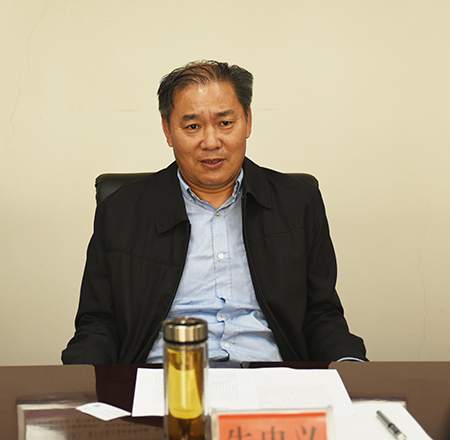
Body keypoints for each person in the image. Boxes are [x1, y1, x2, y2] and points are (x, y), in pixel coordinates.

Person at [62, 60, 367, 365]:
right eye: (192, 126)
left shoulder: (298, 203)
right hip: (166, 375)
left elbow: (320, 315)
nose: (211, 142)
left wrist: (348, 366)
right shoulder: (121, 211)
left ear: (247, 120)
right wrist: (80, 381)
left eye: (225, 123)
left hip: (269, 375)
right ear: (168, 130)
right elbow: (99, 324)